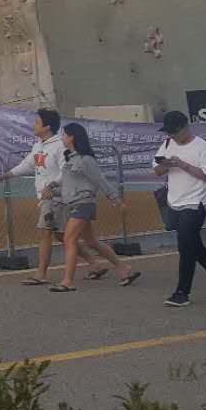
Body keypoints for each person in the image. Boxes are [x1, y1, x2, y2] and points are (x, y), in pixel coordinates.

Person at [49, 123, 140, 291]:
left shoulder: (86, 160)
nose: (62, 138)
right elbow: (66, 182)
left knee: (69, 239)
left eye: (65, 135)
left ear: (72, 137)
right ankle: (123, 268)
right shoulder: (70, 159)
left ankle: (67, 282)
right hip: (72, 204)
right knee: (91, 241)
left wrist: (116, 201)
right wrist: (52, 188)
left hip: (83, 203)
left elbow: (100, 180)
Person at [154, 110, 206, 308]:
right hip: (175, 201)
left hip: (196, 202)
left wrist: (183, 165)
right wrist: (166, 165)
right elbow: (157, 170)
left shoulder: (202, 146)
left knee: (185, 245)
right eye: (169, 132)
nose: (171, 136)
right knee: (193, 244)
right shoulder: (167, 144)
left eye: (174, 132)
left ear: (185, 128)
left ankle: (182, 291)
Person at [0, 108, 66, 285]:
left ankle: (41, 274)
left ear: (47, 127)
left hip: (55, 198)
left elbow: (66, 171)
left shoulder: (60, 146)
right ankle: (97, 264)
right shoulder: (38, 146)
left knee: (44, 233)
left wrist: (51, 186)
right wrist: (5, 176)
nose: (34, 125)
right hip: (46, 198)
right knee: (63, 237)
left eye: (37, 122)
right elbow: (27, 165)